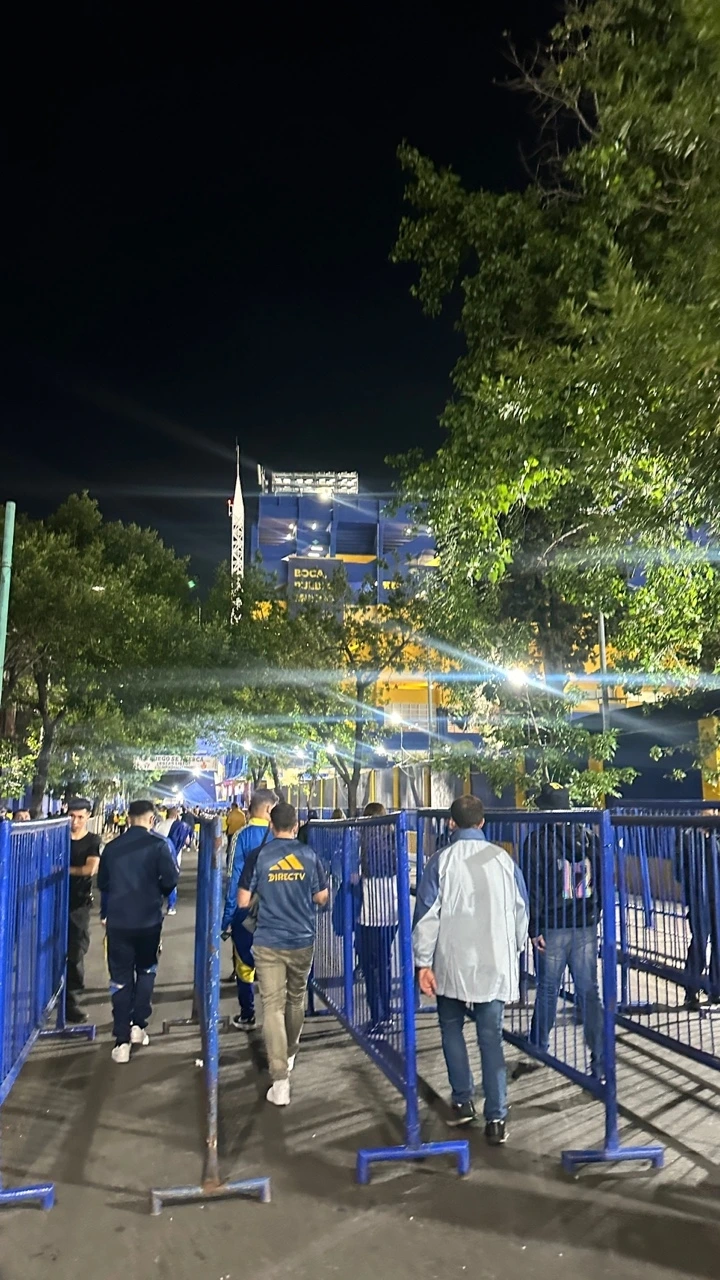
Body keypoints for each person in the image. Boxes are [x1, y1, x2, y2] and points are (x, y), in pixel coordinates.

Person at [413, 794, 528, 1144]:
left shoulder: (440, 861)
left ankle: (463, 1101)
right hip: (494, 963)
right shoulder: (503, 860)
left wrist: (422, 962)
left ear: (451, 822)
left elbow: (427, 916)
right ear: (482, 823)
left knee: (451, 1028)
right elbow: (521, 911)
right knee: (490, 1038)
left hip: (451, 962)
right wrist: (515, 950)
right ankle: (497, 1118)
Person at [238, 801, 328, 1105]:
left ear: (271, 825)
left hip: (268, 940)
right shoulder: (309, 855)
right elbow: (321, 897)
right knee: (295, 998)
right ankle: (289, 1053)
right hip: (302, 938)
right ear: (297, 825)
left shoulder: (258, 856)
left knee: (272, 1006)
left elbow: (242, 901)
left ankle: (280, 1082)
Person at [525, 784, 604, 1079]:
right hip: (585, 924)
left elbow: (533, 887)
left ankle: (538, 1048)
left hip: (553, 924)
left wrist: (534, 926)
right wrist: (595, 913)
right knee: (589, 992)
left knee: (547, 989)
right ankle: (599, 1059)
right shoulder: (590, 838)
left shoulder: (537, 841)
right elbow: (603, 879)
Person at [97, 798, 179, 1063]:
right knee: (146, 971)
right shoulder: (159, 845)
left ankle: (121, 1041)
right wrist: (158, 894)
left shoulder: (112, 848)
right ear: (152, 819)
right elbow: (171, 880)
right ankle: (138, 1025)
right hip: (148, 921)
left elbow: (103, 884)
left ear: (128, 818)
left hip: (118, 922)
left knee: (120, 979)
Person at [221, 788, 278, 1030]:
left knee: (245, 964)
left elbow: (233, 877)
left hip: (246, 912)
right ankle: (275, 1020)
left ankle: (248, 1015)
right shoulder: (281, 835)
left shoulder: (241, 837)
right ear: (268, 809)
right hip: (277, 911)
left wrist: (227, 917)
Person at [354, 801, 398, 1031]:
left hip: (369, 914)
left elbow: (352, 877)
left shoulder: (360, 845)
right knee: (385, 962)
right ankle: (387, 1012)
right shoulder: (395, 842)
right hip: (392, 913)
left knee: (371, 967)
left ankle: (377, 1015)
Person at [66, 797, 103, 1023]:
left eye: (80, 817)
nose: (75, 821)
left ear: (88, 816)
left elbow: (90, 869)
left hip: (78, 904)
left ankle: (71, 1002)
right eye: (71, 816)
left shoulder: (92, 840)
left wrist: (62, 870)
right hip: (54, 901)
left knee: (76, 953)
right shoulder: (58, 837)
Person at [679, 817, 720, 1009]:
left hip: (716, 897)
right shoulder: (689, 836)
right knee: (699, 944)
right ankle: (691, 991)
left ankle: (716, 990)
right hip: (699, 898)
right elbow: (680, 871)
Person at [164, 808, 193, 914]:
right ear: (176, 815)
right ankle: (171, 906)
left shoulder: (159, 825)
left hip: (157, 857)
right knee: (172, 881)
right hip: (174, 858)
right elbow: (187, 841)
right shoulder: (180, 826)